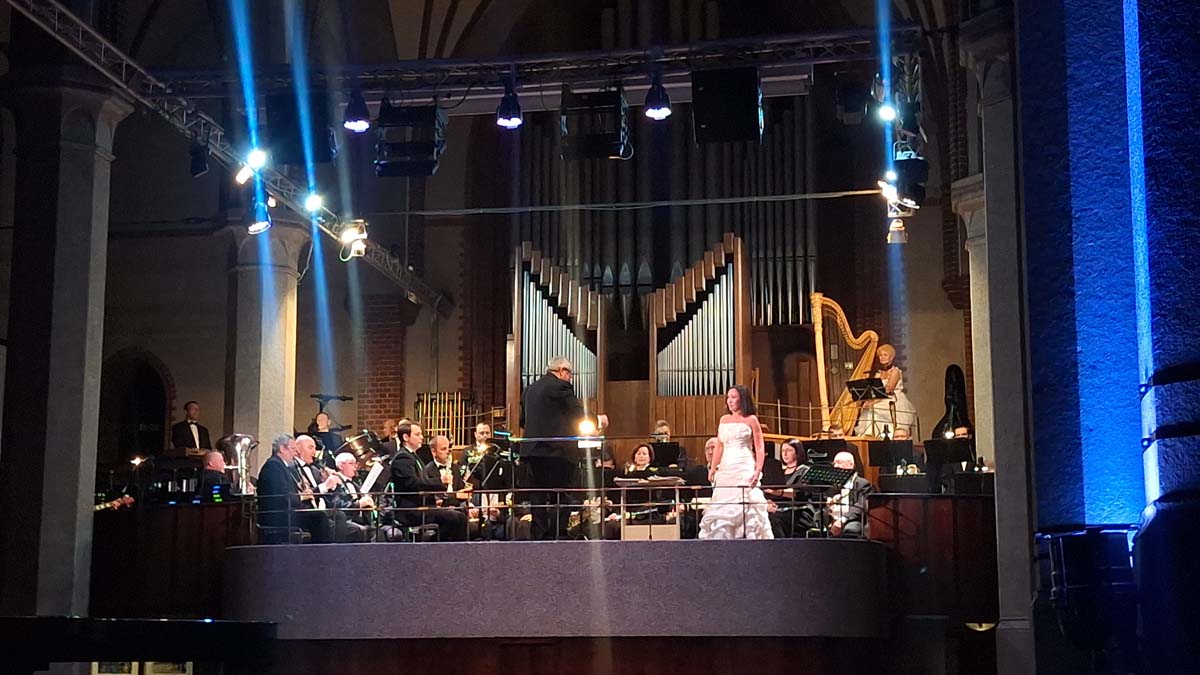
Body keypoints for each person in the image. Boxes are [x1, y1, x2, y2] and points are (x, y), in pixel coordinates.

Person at [519, 356, 608, 539]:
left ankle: (539, 537)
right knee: (562, 495)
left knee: (538, 497)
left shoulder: (529, 390)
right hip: (557, 452)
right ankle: (558, 536)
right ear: (561, 371)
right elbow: (577, 412)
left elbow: (523, 421)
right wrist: (598, 420)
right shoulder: (560, 386)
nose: (570, 378)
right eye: (570, 374)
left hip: (532, 452)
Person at [698, 385, 774, 540]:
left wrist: (758, 470)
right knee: (723, 504)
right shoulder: (724, 420)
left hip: (744, 464)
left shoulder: (751, 420)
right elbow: (719, 446)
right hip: (726, 466)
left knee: (747, 501)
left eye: (733, 397)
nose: (729, 401)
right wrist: (713, 468)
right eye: (728, 397)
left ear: (742, 399)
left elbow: (759, 447)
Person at [387, 421, 467, 541]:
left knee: (459, 516)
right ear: (406, 437)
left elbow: (422, 481)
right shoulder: (402, 458)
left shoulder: (413, 456)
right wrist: (440, 481)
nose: (421, 437)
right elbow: (413, 483)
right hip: (411, 511)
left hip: (423, 506)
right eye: (417, 434)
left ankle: (440, 545)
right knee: (456, 518)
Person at [256, 435, 330, 544]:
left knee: (323, 515)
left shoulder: (282, 466)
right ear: (282, 449)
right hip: (278, 515)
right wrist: (302, 496)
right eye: (293, 449)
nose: (295, 453)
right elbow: (281, 495)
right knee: (319, 517)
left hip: (287, 511)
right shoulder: (273, 466)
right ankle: (320, 551)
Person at [854, 344, 918, 437]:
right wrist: (868, 400)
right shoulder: (878, 373)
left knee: (875, 408)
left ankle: (884, 435)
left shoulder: (895, 371)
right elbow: (875, 389)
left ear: (891, 357)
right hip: (879, 398)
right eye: (880, 355)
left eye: (885, 355)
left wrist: (873, 401)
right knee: (867, 407)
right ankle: (870, 435)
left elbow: (888, 389)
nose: (882, 357)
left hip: (892, 399)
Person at [326, 452, 373, 542]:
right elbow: (338, 505)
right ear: (340, 466)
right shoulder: (334, 482)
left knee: (378, 532)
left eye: (355, 464)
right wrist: (359, 504)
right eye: (351, 463)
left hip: (361, 521)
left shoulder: (355, 484)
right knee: (360, 530)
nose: (355, 467)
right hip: (345, 521)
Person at [825, 451, 873, 537]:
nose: (835, 466)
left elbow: (860, 507)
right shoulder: (831, 484)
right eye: (834, 463)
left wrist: (842, 520)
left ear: (851, 465)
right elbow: (825, 499)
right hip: (832, 517)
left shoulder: (863, 484)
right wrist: (828, 501)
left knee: (851, 529)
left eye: (839, 462)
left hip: (851, 519)